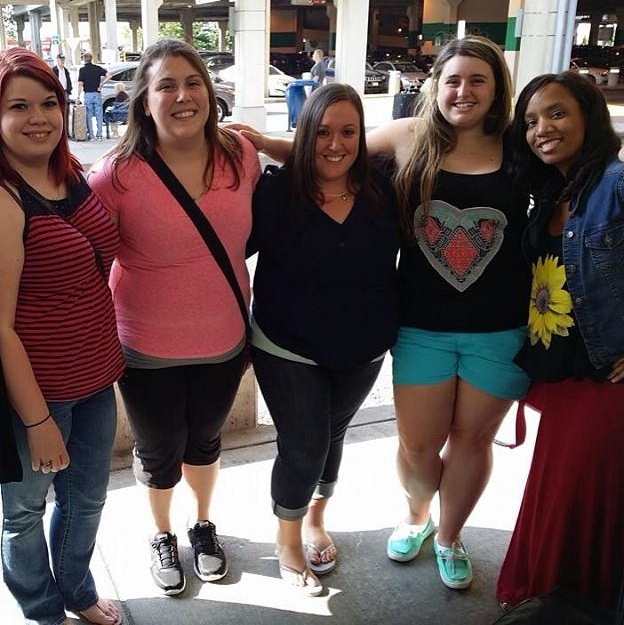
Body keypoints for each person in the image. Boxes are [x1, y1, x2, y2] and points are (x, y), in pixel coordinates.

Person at [235, 35, 530, 591]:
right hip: (417, 325)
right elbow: (327, 149)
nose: (463, 91)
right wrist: (254, 142)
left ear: (498, 90)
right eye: (452, 79)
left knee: (469, 441)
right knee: (410, 445)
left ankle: (449, 535)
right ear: (435, 87)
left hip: (493, 327)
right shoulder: (410, 138)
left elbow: (578, 199)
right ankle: (415, 515)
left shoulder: (520, 149)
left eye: (477, 80)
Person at [87, 38, 261, 597]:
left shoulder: (241, 156)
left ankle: (202, 525)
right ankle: (161, 533)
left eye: (193, 83)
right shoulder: (115, 176)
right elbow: (85, 259)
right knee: (160, 449)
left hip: (225, 339)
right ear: (143, 101)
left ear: (210, 94)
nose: (182, 96)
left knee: (206, 440)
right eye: (166, 85)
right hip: (144, 348)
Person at [0, 48, 124, 625]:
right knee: (23, 514)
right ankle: (43, 610)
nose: (39, 116)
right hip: (32, 400)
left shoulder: (69, 175)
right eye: (19, 105)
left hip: (96, 379)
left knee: (86, 500)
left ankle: (76, 588)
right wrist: (38, 422)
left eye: (49, 102)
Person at [248, 83, 399, 596]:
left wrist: (278, 140)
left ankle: (315, 517)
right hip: (287, 344)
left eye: (349, 132)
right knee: (305, 442)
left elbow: (419, 129)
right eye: (323, 132)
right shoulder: (274, 191)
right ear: (304, 132)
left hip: (363, 348)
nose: (336, 144)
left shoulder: (385, 183)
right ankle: (287, 539)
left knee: (332, 435)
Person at [496, 71, 624, 614]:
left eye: (556, 114)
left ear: (589, 116)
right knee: (559, 490)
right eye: (529, 121)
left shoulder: (616, 184)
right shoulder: (553, 191)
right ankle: (555, 600)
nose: (542, 129)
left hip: (605, 378)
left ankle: (578, 602)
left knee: (584, 496)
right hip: (564, 374)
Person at [76, 52, 111, 141]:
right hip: (97, 93)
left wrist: (78, 96)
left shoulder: (82, 70)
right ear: (91, 59)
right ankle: (99, 135)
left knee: (89, 115)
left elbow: (80, 83)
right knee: (99, 114)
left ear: (84, 59)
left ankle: (91, 136)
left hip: (88, 94)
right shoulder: (98, 68)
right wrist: (101, 84)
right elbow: (109, 75)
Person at [52, 53, 72, 137]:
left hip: (65, 92)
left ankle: (66, 131)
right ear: (57, 60)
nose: (63, 61)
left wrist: (69, 90)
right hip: (57, 92)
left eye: (64, 60)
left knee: (66, 112)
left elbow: (68, 81)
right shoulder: (54, 70)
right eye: (61, 59)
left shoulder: (66, 70)